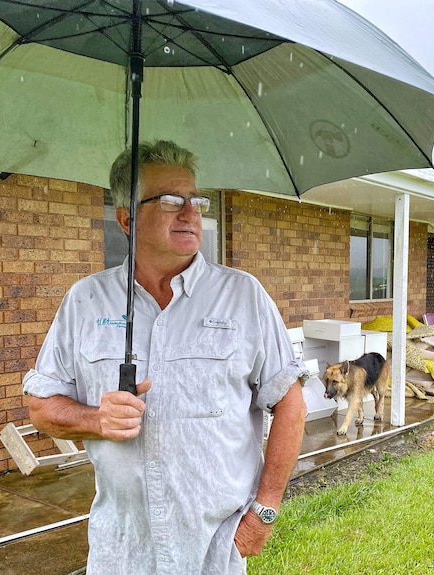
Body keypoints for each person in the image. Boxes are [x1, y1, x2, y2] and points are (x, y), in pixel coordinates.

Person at [23, 140, 308, 574]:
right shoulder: (86, 301)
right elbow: (41, 406)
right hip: (122, 548)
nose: (190, 212)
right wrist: (95, 420)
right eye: (171, 200)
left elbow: (290, 404)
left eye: (197, 201)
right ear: (126, 218)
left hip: (216, 546)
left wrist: (264, 511)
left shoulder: (242, 296)